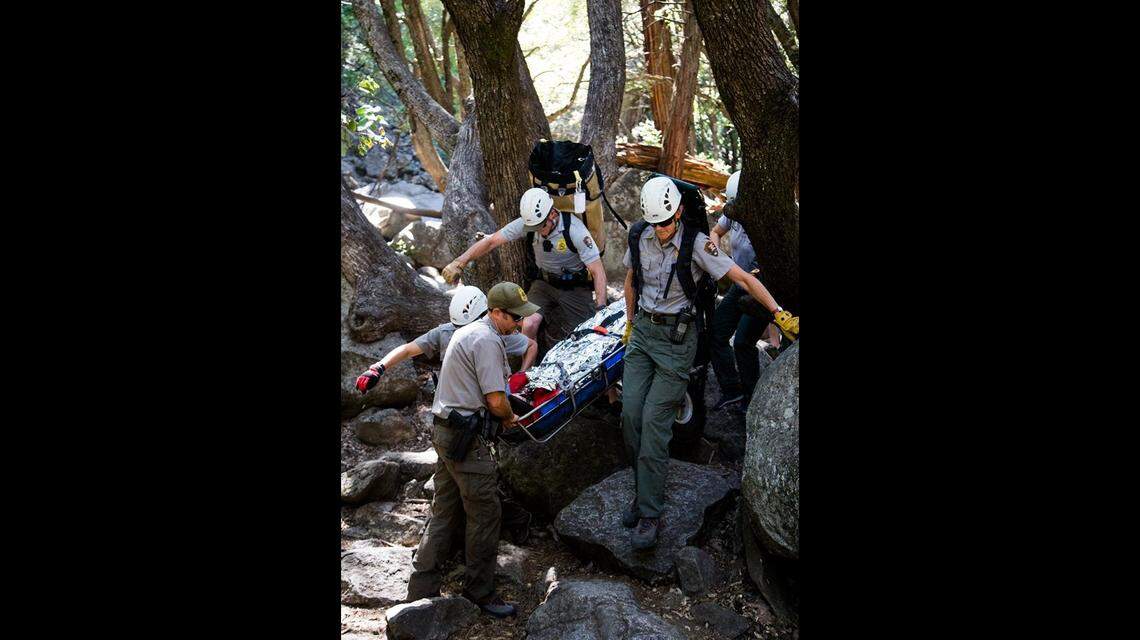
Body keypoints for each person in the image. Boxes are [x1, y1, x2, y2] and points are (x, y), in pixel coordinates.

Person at [620, 176, 798, 550]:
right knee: (630, 415)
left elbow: (742, 278)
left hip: (676, 341)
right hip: (643, 337)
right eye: (655, 223)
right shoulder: (640, 236)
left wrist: (778, 313)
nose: (661, 230)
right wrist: (629, 324)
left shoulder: (697, 245)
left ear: (679, 211)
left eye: (666, 222)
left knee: (655, 421)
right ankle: (643, 489)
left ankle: (649, 511)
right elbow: (632, 279)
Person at [403, 282, 539, 618]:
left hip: (445, 430)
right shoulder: (487, 340)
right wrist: (510, 419)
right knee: (485, 513)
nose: (519, 324)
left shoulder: (473, 332)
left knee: (445, 509)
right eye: (513, 318)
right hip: (465, 437)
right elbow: (495, 400)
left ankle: (422, 583)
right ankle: (481, 591)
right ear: (495, 312)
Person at [440, 188, 608, 343]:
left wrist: (601, 308)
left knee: (584, 333)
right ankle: (525, 371)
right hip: (544, 284)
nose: (538, 231)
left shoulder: (575, 231)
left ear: (552, 214)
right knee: (528, 324)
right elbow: (491, 241)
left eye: (541, 226)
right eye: (534, 227)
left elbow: (597, 271)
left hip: (575, 287)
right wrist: (459, 262)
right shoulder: (529, 224)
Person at [354, 286, 537, 392]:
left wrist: (521, 373)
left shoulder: (498, 334)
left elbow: (531, 346)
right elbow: (409, 349)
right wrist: (378, 367)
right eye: (460, 328)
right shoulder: (445, 333)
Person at [707, 170, 781, 410]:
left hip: (762, 288)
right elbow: (715, 232)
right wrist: (717, 257)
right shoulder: (733, 214)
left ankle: (752, 401)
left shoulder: (768, 219)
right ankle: (732, 390)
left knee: (742, 342)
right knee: (716, 332)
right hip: (740, 283)